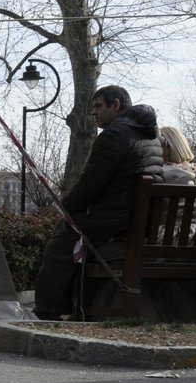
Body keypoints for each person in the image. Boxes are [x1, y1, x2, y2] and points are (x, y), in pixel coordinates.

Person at [32, 86, 163, 321]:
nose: (93, 112)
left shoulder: (115, 135)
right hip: (139, 219)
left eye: (98, 106)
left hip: (114, 219)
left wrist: (64, 209)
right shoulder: (150, 135)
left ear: (116, 105)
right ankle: (74, 306)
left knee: (59, 245)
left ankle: (47, 312)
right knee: (68, 235)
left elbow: (90, 184)